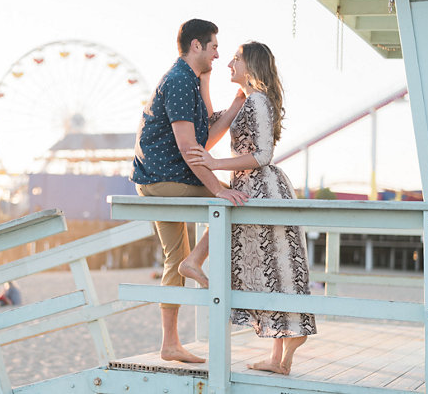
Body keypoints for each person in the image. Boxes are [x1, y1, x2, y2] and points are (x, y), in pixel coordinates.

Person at [181, 41, 317, 374]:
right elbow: (211, 120)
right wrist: (207, 76)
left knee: (279, 269)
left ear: (251, 66)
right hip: (249, 187)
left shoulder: (257, 101)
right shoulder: (246, 101)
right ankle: (279, 358)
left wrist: (214, 163)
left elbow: (263, 156)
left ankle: (284, 354)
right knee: (273, 270)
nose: (229, 62)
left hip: (263, 188)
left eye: (236, 59)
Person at [130, 19, 249, 363]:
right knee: (236, 204)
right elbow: (188, 148)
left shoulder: (186, 80)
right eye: (213, 46)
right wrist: (217, 190)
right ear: (196, 45)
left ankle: (170, 344)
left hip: (151, 181)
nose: (217, 54)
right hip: (168, 180)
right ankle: (196, 262)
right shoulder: (181, 82)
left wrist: (235, 104)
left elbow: (204, 142)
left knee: (173, 258)